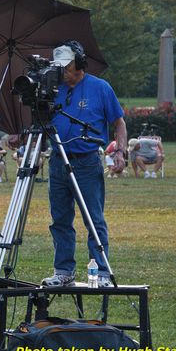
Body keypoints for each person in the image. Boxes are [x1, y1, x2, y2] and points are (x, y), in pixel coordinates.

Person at [42, 40, 127, 288]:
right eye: (59, 67)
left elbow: (118, 122)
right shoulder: (52, 88)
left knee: (93, 218)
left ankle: (101, 272)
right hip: (58, 160)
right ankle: (63, 271)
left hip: (87, 161)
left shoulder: (100, 88)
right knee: (60, 218)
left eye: (66, 67)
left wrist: (120, 150)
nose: (62, 72)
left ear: (79, 63)